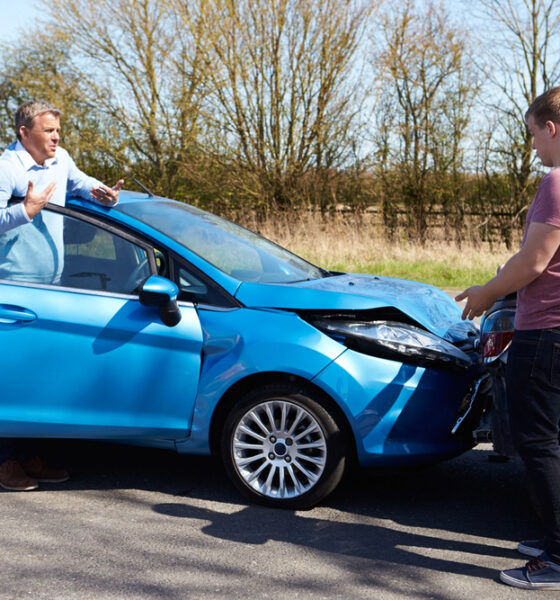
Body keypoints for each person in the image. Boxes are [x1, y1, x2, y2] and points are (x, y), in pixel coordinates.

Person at [456, 87, 560, 590]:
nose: (533, 146)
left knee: (538, 442)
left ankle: (557, 558)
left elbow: (533, 262)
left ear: (552, 128)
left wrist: (484, 292)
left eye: (533, 134)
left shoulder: (556, 182)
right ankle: (554, 539)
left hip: (546, 333)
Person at [0, 99, 123, 492]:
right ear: (24, 133)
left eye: (57, 130)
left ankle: (31, 457)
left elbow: (79, 181)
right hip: (12, 291)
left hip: (50, 287)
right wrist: (25, 210)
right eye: (49, 131)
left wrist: (101, 192)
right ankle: (5, 464)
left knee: (38, 374)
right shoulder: (7, 168)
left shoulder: (61, 158)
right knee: (11, 379)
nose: (56, 137)